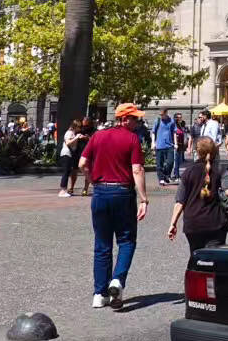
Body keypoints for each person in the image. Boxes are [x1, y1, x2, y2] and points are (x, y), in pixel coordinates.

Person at [81, 103, 148, 309]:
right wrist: (144, 199)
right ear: (124, 119)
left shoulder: (98, 136)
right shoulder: (132, 139)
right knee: (127, 241)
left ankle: (99, 294)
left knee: (102, 245)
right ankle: (117, 280)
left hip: (100, 192)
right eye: (135, 118)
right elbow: (137, 170)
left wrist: (93, 181)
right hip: (122, 192)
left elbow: (82, 163)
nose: (138, 122)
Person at [168, 137, 228, 252]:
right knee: (215, 260)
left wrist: (173, 224)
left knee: (196, 258)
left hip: (193, 224)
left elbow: (180, 202)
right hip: (215, 223)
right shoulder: (220, 169)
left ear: (197, 152)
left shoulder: (188, 172)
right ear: (215, 151)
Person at [59, 119, 88, 198]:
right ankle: (63, 190)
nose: (80, 129)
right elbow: (68, 142)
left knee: (67, 172)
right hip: (66, 154)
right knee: (66, 172)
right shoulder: (69, 133)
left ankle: (64, 190)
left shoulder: (73, 133)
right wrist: (76, 138)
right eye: (79, 127)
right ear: (75, 126)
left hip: (69, 155)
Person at [153, 108, 175, 187]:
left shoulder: (171, 121)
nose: (161, 116)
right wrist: (153, 143)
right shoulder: (157, 121)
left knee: (170, 162)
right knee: (159, 164)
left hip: (169, 145)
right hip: (159, 145)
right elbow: (153, 132)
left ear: (166, 113)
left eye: (162, 114)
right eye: (160, 114)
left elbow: (174, 132)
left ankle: (166, 175)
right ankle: (161, 179)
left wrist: (175, 143)